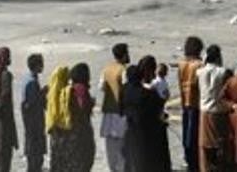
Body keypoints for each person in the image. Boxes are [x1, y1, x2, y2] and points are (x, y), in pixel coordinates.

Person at [124, 58, 171, 172]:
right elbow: (158, 108)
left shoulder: (125, 90)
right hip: (149, 134)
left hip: (131, 132)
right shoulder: (148, 94)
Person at [47, 63, 96, 172]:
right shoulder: (79, 90)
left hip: (60, 139)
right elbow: (82, 109)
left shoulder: (55, 93)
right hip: (79, 137)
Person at [198, 45, 228, 172]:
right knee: (220, 145)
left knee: (205, 146)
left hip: (205, 112)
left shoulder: (199, 72)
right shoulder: (223, 72)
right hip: (219, 112)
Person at [100, 44, 129, 172]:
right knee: (122, 144)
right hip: (120, 112)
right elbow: (127, 88)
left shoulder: (106, 69)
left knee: (110, 145)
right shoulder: (123, 70)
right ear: (124, 55)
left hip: (108, 112)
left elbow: (101, 87)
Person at [179, 37, 205, 172]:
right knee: (195, 137)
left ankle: (189, 161)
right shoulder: (199, 65)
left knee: (186, 136)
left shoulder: (182, 64)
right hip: (196, 104)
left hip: (185, 103)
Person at [21, 54, 47, 172]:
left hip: (31, 119)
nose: (43, 66)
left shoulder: (30, 78)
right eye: (41, 63)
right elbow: (33, 102)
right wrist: (44, 93)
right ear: (36, 66)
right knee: (35, 148)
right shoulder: (32, 82)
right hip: (33, 120)